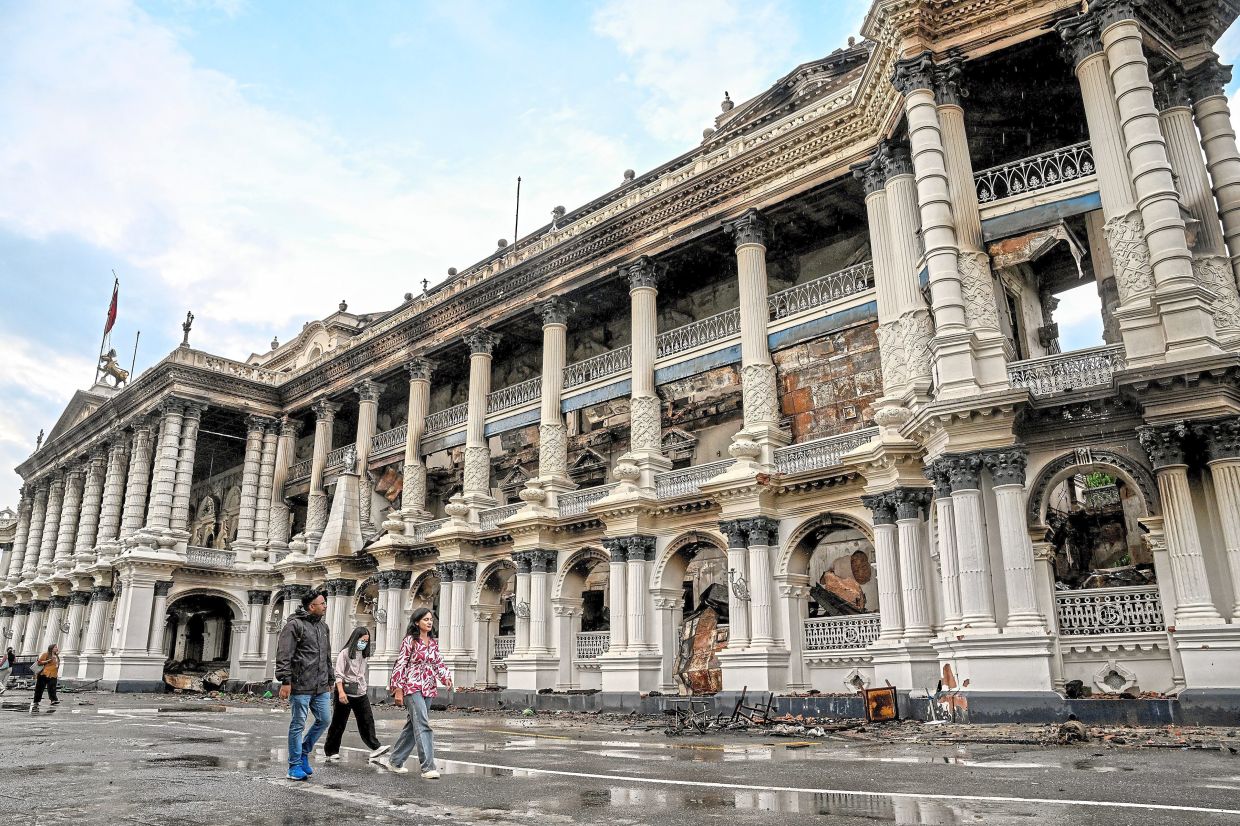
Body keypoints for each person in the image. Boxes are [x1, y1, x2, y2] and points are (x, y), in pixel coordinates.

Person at [376, 607, 452, 778]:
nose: (429, 622)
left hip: (428, 687)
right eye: (425, 619)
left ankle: (395, 761)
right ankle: (428, 767)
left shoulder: (433, 643)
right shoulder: (410, 641)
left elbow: (438, 663)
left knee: (413, 726)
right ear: (417, 622)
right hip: (411, 686)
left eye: (431, 619)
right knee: (423, 724)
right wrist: (397, 689)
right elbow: (400, 664)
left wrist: (446, 677)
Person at [275, 590, 333, 781]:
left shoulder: (323, 627)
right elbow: (284, 654)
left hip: (321, 685)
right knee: (298, 724)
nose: (325, 606)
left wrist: (330, 679)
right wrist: (285, 681)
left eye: (324, 603)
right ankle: (294, 766)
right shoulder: (294, 625)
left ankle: (303, 752)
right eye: (322, 603)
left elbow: (326, 656)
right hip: (300, 685)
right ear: (311, 606)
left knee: (324, 719)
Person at [322, 626, 389, 763]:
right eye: (362, 640)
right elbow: (339, 675)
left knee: (367, 720)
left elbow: (361, 674)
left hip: (360, 692)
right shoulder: (345, 653)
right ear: (355, 639)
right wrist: (340, 692)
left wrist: (364, 688)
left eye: (366, 641)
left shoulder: (364, 654)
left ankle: (375, 747)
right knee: (339, 722)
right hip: (345, 691)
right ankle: (331, 751)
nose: (364, 643)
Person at [32, 643, 60, 710]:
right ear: (51, 648)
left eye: (57, 647)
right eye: (55, 647)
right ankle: (36, 701)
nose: (57, 648)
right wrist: (48, 661)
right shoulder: (46, 654)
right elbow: (39, 662)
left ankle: (53, 700)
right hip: (44, 674)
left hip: (53, 674)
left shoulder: (57, 656)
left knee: (52, 687)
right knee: (39, 688)